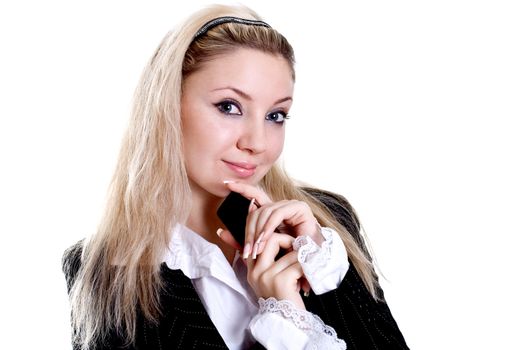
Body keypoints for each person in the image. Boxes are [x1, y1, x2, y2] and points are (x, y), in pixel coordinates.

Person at [62, 4, 409, 349]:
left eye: (276, 115)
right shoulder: (104, 269)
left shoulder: (324, 228)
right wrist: (284, 324)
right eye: (229, 107)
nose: (257, 143)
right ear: (167, 104)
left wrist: (322, 279)